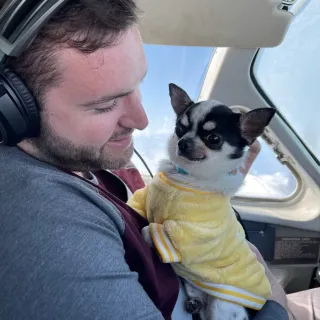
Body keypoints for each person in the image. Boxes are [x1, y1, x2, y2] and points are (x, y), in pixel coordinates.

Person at [0, 1, 318, 319]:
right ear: (14, 107)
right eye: (105, 104)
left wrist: (211, 185)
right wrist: (275, 305)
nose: (142, 120)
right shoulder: (43, 221)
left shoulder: (94, 171)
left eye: (137, 86)